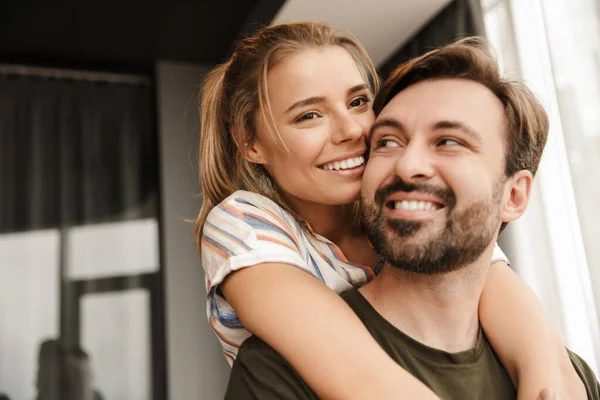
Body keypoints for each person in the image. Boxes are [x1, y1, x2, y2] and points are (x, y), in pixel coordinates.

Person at [197, 22, 585, 399]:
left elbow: (519, 319)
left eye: (358, 102)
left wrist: (546, 375)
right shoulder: (242, 225)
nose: (351, 129)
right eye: (309, 116)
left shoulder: (404, 210)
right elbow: (362, 377)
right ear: (250, 143)